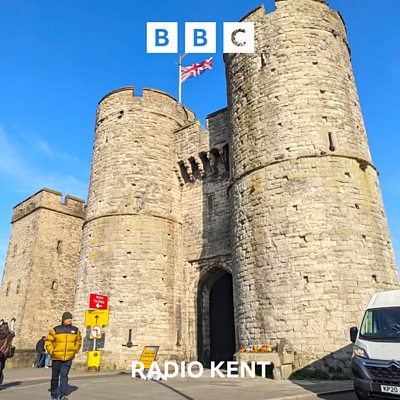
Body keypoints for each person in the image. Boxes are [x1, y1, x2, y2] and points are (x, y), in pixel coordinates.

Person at [45, 312, 82, 400]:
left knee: (64, 376)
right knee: (55, 378)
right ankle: (54, 395)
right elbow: (48, 341)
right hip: (56, 358)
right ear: (64, 319)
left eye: (71, 318)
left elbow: (79, 341)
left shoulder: (75, 330)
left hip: (68, 358)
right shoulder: (56, 330)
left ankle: (63, 395)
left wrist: (75, 350)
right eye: (68, 318)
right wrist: (52, 351)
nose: (70, 320)